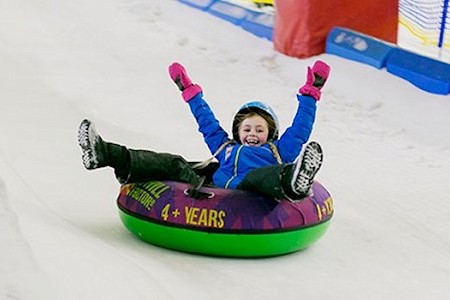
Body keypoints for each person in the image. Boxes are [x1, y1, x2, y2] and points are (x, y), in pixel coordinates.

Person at [78, 60, 330, 202]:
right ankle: (105, 153)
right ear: (238, 132)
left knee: (262, 175)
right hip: (216, 189)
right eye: (247, 128)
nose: (253, 133)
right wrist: (189, 92)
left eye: (260, 129)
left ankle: (294, 181)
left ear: (270, 133)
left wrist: (311, 94)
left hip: (252, 191)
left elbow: (299, 131)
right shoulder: (226, 148)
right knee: (174, 163)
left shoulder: (277, 151)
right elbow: (207, 123)